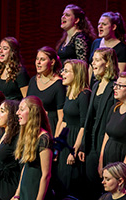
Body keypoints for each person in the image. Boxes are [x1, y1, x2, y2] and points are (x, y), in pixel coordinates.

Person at [78, 47, 119, 200]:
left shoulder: (115, 86)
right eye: (92, 60)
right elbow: (89, 118)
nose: (92, 63)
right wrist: (83, 144)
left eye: (97, 60)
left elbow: (113, 118)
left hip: (105, 142)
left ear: (107, 63)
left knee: (103, 186)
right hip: (91, 143)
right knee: (89, 184)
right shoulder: (95, 85)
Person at [56, 59, 91, 199]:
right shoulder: (69, 92)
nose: (62, 74)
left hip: (74, 142)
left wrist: (74, 150)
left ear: (77, 74)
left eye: (67, 71)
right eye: (63, 70)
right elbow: (64, 122)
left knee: (72, 185)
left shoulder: (84, 95)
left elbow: (84, 125)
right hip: (66, 141)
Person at [12, 96, 53, 200]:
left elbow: (46, 175)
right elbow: (25, 167)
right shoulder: (28, 136)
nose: (17, 113)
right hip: (25, 189)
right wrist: (17, 194)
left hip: (36, 191)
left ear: (32, 112)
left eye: (21, 109)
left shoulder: (44, 139)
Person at [27, 46, 66, 136]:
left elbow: (61, 117)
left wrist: (56, 139)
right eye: (37, 59)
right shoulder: (33, 80)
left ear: (52, 62)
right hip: (32, 127)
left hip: (49, 128)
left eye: (42, 59)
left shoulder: (58, 84)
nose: (38, 63)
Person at [0, 100, 21, 200]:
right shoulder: (2, 135)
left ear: (11, 116)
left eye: (2, 111)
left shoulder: (17, 138)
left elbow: (23, 169)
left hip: (11, 187)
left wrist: (17, 195)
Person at [98, 72, 126, 176]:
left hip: (120, 162)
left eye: (120, 86)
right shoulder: (115, 108)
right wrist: (101, 160)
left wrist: (122, 171)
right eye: (116, 84)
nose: (115, 88)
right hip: (108, 159)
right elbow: (107, 134)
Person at [89, 12, 126, 87]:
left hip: (109, 87)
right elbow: (90, 68)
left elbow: (119, 74)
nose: (100, 26)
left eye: (104, 24)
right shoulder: (96, 43)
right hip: (94, 86)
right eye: (99, 24)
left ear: (114, 27)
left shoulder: (122, 49)